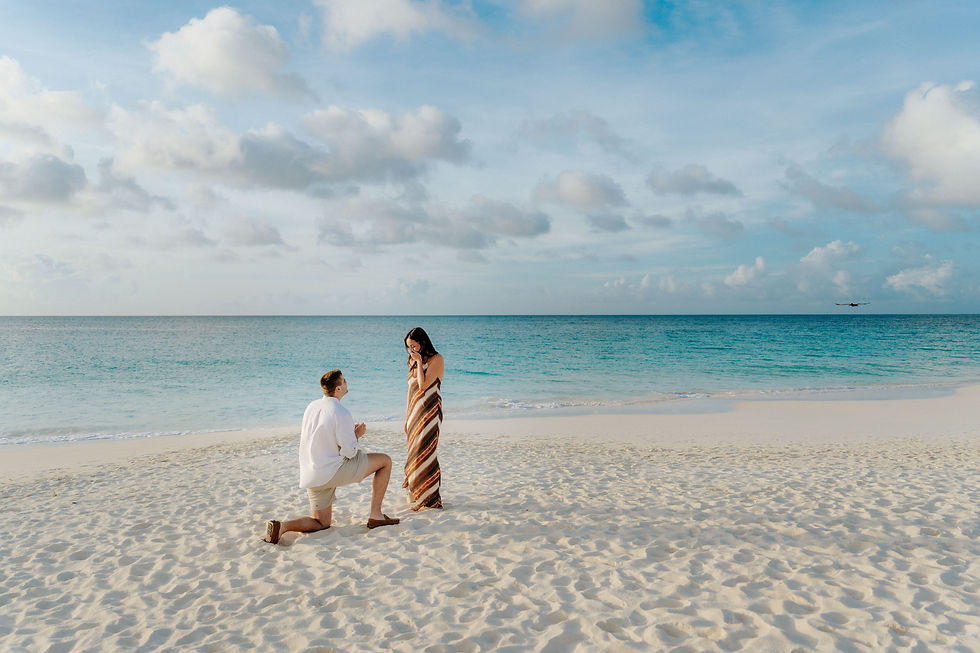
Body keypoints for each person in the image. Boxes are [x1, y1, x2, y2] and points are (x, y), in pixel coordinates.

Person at [264, 369, 399, 544]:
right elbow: (349, 452)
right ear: (338, 389)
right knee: (385, 461)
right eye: (344, 381)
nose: (346, 383)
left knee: (321, 523)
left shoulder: (311, 407)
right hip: (333, 471)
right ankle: (376, 515)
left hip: (313, 474)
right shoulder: (340, 411)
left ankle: (282, 527)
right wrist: (357, 434)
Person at [403, 327, 444, 511]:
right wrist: (406, 417)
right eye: (408, 347)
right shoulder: (411, 360)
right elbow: (410, 391)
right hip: (414, 412)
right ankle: (415, 492)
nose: (411, 350)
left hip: (429, 411)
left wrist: (419, 362)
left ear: (423, 342)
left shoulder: (437, 359)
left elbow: (423, 385)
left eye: (413, 345)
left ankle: (430, 498)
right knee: (413, 453)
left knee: (426, 451)